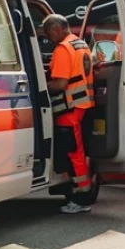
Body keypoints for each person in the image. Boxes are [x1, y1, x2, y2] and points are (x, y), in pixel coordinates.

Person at [43, 14, 96, 214]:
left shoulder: (63, 48)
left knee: (74, 153)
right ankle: (78, 193)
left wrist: (42, 87)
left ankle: (82, 198)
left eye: (49, 34)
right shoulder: (80, 43)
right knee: (78, 151)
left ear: (57, 29)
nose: (49, 38)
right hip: (83, 104)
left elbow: (60, 84)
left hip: (70, 107)